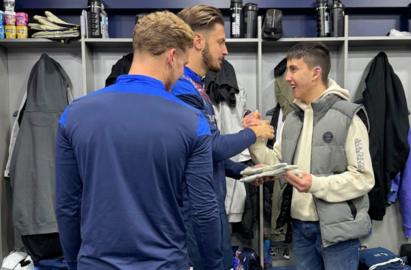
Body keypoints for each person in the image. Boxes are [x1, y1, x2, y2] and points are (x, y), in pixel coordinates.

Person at [55, 11, 224, 270]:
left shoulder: (73, 114)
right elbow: (203, 211)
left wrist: (74, 261)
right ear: (172, 56)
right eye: (182, 65)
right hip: (164, 263)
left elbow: (67, 206)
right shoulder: (192, 122)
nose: (181, 75)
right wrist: (213, 265)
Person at [246, 42, 375, 270]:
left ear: (316, 73)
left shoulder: (348, 117)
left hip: (337, 232)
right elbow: (279, 164)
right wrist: (255, 138)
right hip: (299, 228)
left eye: (294, 69)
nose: (287, 77)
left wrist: (315, 184)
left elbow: (364, 178)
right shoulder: (292, 119)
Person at [173, 5, 274, 270]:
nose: (225, 50)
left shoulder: (198, 87)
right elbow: (212, 147)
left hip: (210, 207)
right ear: (197, 41)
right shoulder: (182, 89)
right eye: (220, 42)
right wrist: (253, 133)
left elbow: (205, 154)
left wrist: (246, 172)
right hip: (194, 213)